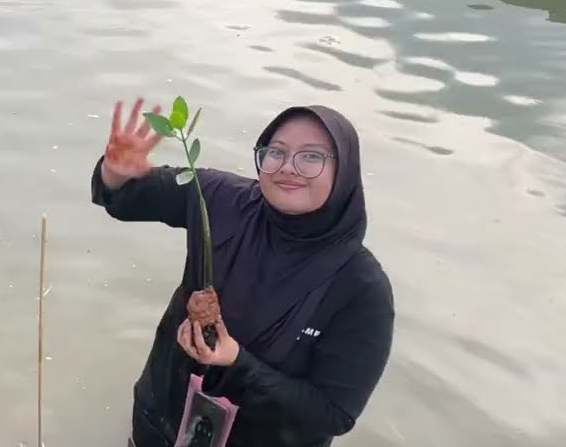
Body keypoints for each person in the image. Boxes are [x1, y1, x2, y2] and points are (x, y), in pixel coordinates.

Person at [92, 98, 394, 447]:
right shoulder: (220, 199)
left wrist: (238, 362)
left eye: (312, 156)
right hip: (158, 421)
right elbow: (129, 198)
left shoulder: (361, 286)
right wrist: (115, 175)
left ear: (345, 172)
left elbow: (333, 413)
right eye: (276, 151)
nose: (289, 167)